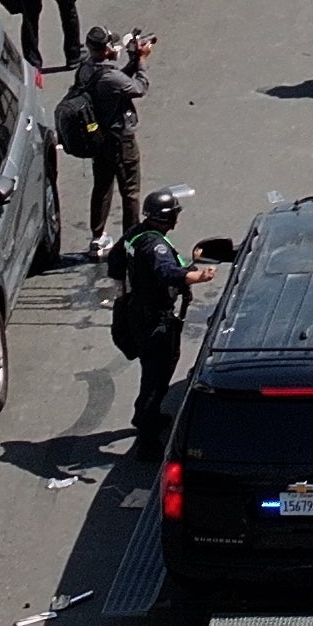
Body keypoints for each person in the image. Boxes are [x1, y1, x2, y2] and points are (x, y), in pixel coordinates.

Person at [108, 190, 201, 451]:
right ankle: (147, 439)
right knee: (156, 375)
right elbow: (167, 272)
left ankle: (148, 415)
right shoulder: (154, 245)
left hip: (136, 312)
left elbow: (115, 265)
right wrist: (197, 277)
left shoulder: (134, 235)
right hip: (154, 319)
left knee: (157, 369)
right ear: (167, 217)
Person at [66, 26, 153, 252]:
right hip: (120, 140)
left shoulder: (86, 69)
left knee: (102, 186)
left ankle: (97, 236)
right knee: (130, 191)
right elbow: (139, 88)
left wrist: (133, 58)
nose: (117, 48)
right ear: (105, 50)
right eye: (113, 45)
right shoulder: (111, 76)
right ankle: (131, 240)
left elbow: (118, 80)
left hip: (98, 139)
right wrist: (142, 61)